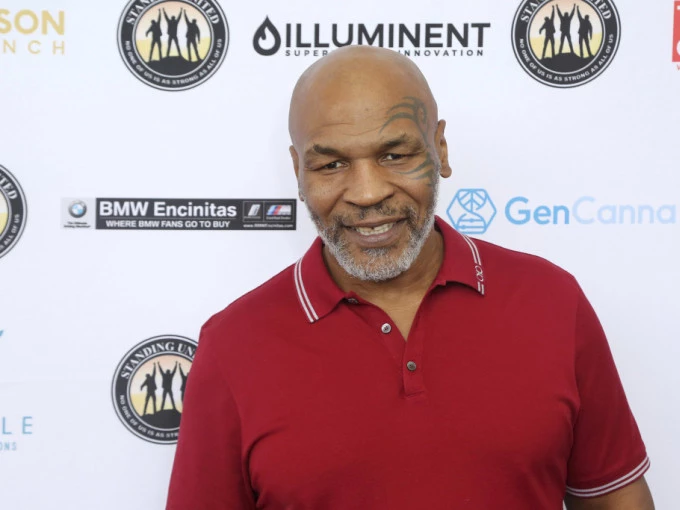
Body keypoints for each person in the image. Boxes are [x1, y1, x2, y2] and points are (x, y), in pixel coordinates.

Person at [167, 46, 654, 510]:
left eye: (394, 155)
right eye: (331, 164)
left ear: (440, 148)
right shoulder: (234, 345)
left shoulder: (551, 302)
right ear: (298, 170)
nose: (367, 193)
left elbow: (615, 500)